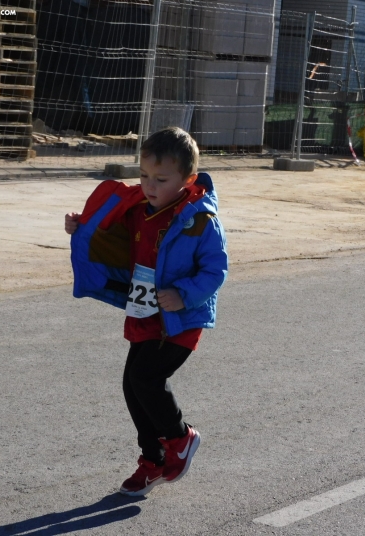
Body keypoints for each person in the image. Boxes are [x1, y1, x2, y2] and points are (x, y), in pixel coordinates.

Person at [64, 127, 228, 496]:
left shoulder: (199, 220)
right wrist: (80, 224)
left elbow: (216, 270)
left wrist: (184, 295)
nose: (149, 185)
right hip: (144, 312)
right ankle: (152, 460)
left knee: (146, 379)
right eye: (143, 176)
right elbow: (108, 230)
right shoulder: (140, 207)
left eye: (161, 179)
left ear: (187, 180)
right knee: (132, 385)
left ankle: (180, 438)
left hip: (181, 318)